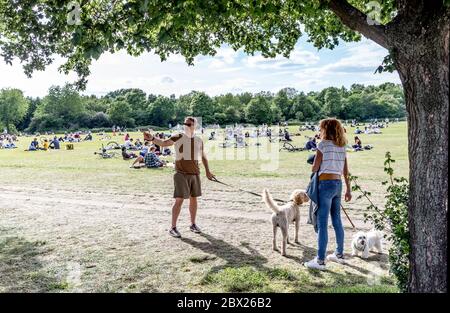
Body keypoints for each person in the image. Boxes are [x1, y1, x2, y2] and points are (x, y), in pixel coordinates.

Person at [144, 116, 215, 238]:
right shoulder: (179, 136)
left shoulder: (198, 140)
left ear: (195, 126)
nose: (186, 126)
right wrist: (152, 139)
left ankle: (193, 224)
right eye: (185, 124)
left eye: (189, 124)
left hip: (195, 173)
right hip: (181, 173)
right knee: (179, 200)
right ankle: (173, 227)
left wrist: (208, 171)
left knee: (194, 199)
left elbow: (203, 157)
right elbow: (164, 143)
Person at [304, 118, 352, 270]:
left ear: (326, 129)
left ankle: (320, 260)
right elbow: (345, 171)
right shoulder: (342, 146)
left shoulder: (322, 145)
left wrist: (314, 162)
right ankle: (339, 254)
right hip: (338, 184)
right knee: (337, 220)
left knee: (323, 223)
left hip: (324, 184)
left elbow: (314, 168)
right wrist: (348, 189)